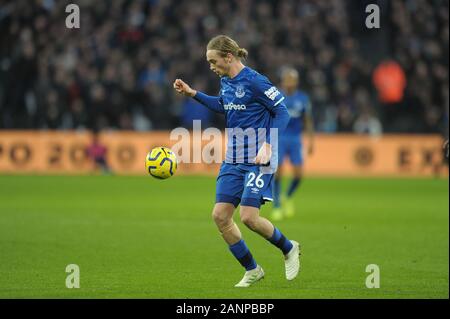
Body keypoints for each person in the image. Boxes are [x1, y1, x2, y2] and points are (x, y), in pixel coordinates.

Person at [173, 35, 300, 287]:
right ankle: (252, 269)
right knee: (220, 216)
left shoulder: (255, 81)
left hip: (259, 157)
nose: (211, 66)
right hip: (233, 157)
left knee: (249, 218)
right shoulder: (225, 81)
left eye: (213, 60)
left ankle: (289, 248)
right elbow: (224, 105)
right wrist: (193, 93)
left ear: (228, 57)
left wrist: (268, 144)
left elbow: (282, 111)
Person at [271, 68, 315, 221]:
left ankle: (287, 196)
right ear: (283, 81)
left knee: (298, 174)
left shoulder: (302, 98)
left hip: (295, 139)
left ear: (296, 82)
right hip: (279, 138)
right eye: (287, 79)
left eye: (292, 79)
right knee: (277, 172)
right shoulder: (276, 96)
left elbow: (308, 120)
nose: (289, 82)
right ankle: (276, 206)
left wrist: (311, 141)